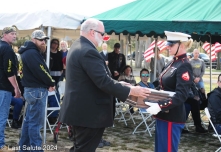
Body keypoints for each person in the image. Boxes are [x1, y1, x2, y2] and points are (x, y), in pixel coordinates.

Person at [58, 18, 150, 152]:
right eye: (102, 34)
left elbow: (94, 79)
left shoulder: (79, 46)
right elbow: (103, 82)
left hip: (81, 111)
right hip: (88, 114)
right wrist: (130, 91)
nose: (104, 38)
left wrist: (119, 84)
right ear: (92, 32)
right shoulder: (88, 51)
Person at [144, 31, 193, 152]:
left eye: (171, 45)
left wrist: (160, 106)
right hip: (163, 115)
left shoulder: (184, 65)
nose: (168, 47)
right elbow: (162, 86)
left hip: (172, 116)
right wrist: (147, 92)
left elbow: (181, 95)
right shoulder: (172, 62)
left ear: (181, 45)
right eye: (168, 44)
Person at [18, 30, 55, 151]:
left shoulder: (27, 52)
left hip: (31, 90)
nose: (43, 42)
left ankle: (23, 148)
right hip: (36, 91)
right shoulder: (32, 53)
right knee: (35, 123)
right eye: (41, 40)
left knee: (29, 121)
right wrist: (51, 82)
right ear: (33, 39)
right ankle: (36, 149)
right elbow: (41, 70)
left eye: (44, 40)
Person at [0, 26, 21, 151]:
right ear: (5, 34)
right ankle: (1, 145)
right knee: (2, 117)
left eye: (15, 34)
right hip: (4, 88)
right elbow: (9, 71)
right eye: (12, 33)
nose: (15, 36)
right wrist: (16, 88)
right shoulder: (7, 49)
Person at [48, 38, 63, 124]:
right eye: (54, 43)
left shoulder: (59, 53)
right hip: (50, 73)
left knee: (56, 91)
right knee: (53, 93)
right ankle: (51, 114)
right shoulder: (47, 52)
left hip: (58, 73)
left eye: (57, 43)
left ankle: (53, 114)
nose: (55, 45)